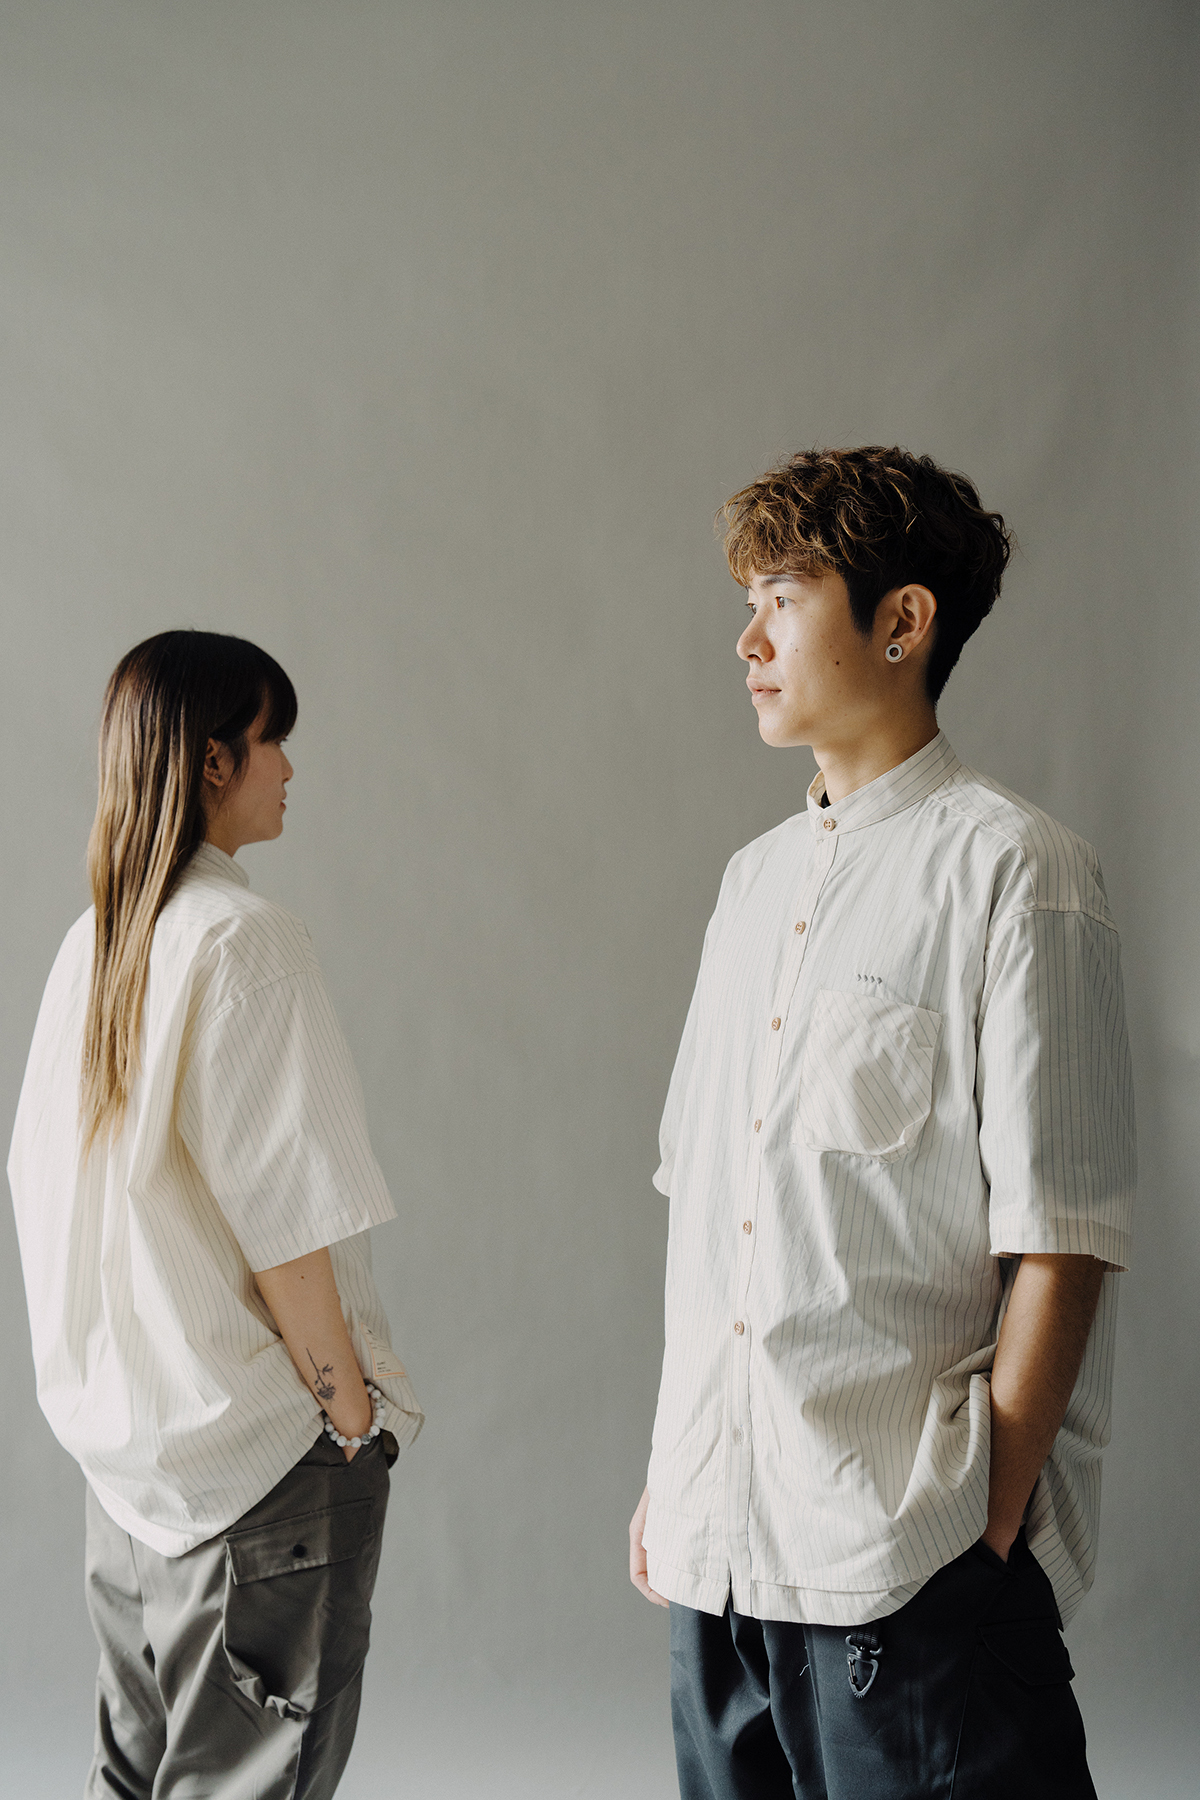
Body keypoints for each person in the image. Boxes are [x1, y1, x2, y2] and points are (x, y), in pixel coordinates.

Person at [627, 448, 1135, 1799]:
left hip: (906, 1559)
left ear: (903, 622)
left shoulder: (1019, 872)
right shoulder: (748, 887)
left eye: (782, 600)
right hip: (718, 1556)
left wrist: (983, 1521)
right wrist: (679, 1480)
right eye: (746, 603)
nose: (747, 642)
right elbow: (715, 1221)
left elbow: (1065, 1234)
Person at [8, 630, 423, 1800]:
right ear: (212, 762)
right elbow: (290, 1226)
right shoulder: (245, 941)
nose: (290, 767)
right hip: (259, 1473)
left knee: (135, 1782)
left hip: (130, 1484)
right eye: (271, 739)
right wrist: (352, 1421)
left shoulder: (92, 946)